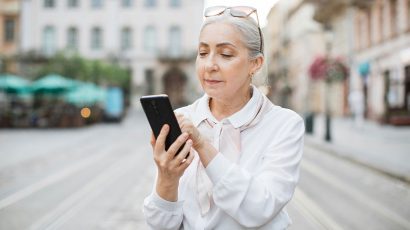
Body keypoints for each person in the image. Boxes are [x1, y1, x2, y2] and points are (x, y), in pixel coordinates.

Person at [143, 6, 305, 229]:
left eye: (226, 54)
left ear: (255, 64)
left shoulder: (284, 125)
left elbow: (259, 209)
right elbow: (160, 224)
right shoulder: (183, 118)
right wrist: (166, 178)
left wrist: (202, 145)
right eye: (202, 53)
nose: (210, 65)